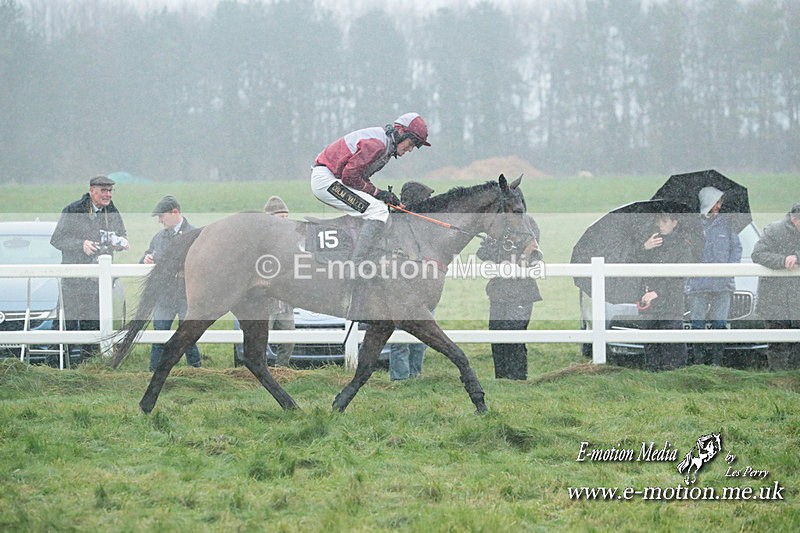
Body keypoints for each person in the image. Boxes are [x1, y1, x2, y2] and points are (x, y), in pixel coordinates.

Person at [311, 113, 431, 320]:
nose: (411, 149)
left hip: (333, 179)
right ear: (400, 133)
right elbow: (350, 176)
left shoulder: (385, 144)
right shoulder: (377, 144)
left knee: (377, 207)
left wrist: (382, 194)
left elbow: (358, 178)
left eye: (416, 146)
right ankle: (355, 267)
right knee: (377, 211)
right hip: (327, 180)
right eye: (412, 143)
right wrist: (378, 193)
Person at [50, 175, 129, 359]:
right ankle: (60, 364)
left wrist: (120, 243)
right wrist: (81, 245)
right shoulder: (73, 209)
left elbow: (121, 234)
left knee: (94, 325)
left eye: (110, 191)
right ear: (92, 190)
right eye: (104, 190)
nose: (108, 195)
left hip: (98, 283)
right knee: (67, 324)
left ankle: (90, 366)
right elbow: (57, 239)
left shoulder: (113, 212)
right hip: (74, 281)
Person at [142, 195, 201, 371]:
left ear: (175, 212)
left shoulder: (194, 235)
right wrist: (145, 259)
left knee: (188, 336)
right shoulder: (159, 237)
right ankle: (154, 372)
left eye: (162, 216)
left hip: (185, 295)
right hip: (164, 296)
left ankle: (196, 370)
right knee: (159, 334)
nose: (160, 221)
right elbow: (147, 255)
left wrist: (159, 258)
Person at [685, 186, 742, 366]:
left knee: (719, 324)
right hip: (698, 285)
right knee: (697, 324)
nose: (719, 206)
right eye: (716, 202)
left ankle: (717, 364)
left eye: (720, 202)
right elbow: (685, 253)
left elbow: (736, 249)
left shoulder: (728, 223)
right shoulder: (692, 226)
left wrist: (729, 272)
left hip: (722, 285)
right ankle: (699, 364)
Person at [484, 215, 542, 380]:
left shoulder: (529, 224)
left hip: (521, 293)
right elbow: (485, 254)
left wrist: (515, 261)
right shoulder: (497, 225)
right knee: (496, 336)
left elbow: (532, 256)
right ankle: (501, 378)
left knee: (515, 337)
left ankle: (517, 379)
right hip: (498, 293)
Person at [635, 212, 694, 371]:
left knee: (672, 342)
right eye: (658, 220)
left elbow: (678, 276)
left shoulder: (683, 245)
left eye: (665, 221)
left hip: (671, 301)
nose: (660, 224)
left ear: (675, 223)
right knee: (651, 341)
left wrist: (658, 292)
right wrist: (644, 248)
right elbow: (635, 264)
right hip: (649, 300)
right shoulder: (651, 241)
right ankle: (652, 375)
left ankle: (674, 375)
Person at [388, 182, 435, 380]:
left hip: (424, 288)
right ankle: (400, 380)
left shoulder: (425, 224)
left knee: (423, 337)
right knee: (400, 340)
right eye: (426, 199)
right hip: (402, 289)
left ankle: (415, 377)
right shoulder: (395, 221)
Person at [751, 202, 800, 371]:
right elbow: (757, 254)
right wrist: (782, 261)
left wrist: (797, 257)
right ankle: (778, 381)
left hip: (795, 299)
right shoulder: (774, 230)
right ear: (796, 220)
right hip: (774, 299)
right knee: (777, 345)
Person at [263, 196, 295, 367]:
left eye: (286, 216)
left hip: (285, 303)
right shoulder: (259, 242)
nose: (285, 220)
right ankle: (260, 370)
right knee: (260, 340)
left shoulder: (292, 241)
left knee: (289, 339)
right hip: (265, 303)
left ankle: (282, 370)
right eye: (280, 216)